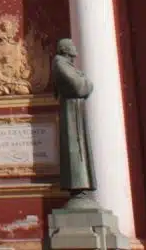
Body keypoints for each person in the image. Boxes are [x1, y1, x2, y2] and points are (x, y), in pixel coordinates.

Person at [51, 38, 96, 196]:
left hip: (75, 110)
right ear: (65, 49)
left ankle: (82, 186)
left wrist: (85, 82)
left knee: (79, 149)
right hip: (71, 112)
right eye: (72, 46)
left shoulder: (66, 65)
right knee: (75, 149)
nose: (75, 49)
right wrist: (86, 82)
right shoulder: (60, 64)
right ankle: (78, 187)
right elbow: (79, 87)